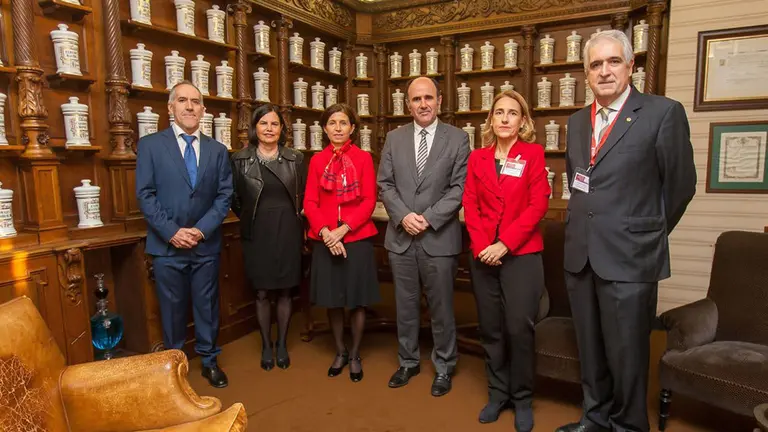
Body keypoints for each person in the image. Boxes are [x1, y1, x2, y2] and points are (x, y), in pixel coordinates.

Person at [558, 30, 696, 432]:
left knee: (628, 354)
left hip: (631, 259)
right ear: (586, 73)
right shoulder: (576, 122)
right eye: (595, 64)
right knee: (591, 348)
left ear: (631, 65)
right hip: (581, 254)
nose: (604, 71)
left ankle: (629, 426)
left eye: (613, 61)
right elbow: (579, 180)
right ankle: (595, 418)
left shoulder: (662, 113)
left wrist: (645, 233)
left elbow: (680, 187)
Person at [462, 90, 550, 431]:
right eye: (498, 112)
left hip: (521, 256)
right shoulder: (477, 159)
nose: (504, 118)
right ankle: (498, 394)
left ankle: (523, 398)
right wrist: (484, 245)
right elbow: (470, 203)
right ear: (490, 119)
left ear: (522, 121)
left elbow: (537, 205)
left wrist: (504, 244)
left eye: (512, 113)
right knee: (492, 329)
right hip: (483, 255)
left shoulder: (533, 154)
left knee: (518, 328)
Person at [136, 80, 233, 388]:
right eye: (182, 100)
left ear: (203, 110)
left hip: (206, 245)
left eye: (195, 101)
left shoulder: (218, 150)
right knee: (172, 309)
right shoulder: (151, 145)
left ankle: (209, 361)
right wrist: (172, 232)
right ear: (170, 108)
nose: (190, 106)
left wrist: (201, 231)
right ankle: (175, 368)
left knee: (207, 306)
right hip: (167, 247)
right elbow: (145, 195)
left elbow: (224, 196)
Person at [377, 76, 470, 397]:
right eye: (416, 99)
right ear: (408, 105)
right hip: (401, 238)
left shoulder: (458, 139)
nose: (423, 104)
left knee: (442, 307)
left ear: (440, 101)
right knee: (405, 304)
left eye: (428, 98)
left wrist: (428, 219)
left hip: (439, 237)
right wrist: (403, 216)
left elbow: (459, 188)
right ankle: (408, 361)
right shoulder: (394, 138)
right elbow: (385, 184)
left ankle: (444, 365)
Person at [304, 103, 379, 383]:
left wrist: (343, 230)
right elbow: (310, 201)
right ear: (324, 128)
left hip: (356, 238)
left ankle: (356, 353)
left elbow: (369, 200)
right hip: (325, 239)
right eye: (332, 122)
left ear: (353, 129)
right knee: (333, 300)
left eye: (343, 123)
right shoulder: (315, 160)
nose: (337, 128)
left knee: (356, 301)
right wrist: (326, 232)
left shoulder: (363, 158)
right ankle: (340, 350)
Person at [230, 104, 305, 371]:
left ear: (282, 129)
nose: (269, 129)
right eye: (264, 124)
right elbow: (235, 199)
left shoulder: (296, 158)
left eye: (274, 124)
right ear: (255, 128)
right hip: (257, 231)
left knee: (285, 290)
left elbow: (303, 195)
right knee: (261, 292)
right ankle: (265, 344)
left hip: (288, 230)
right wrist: (253, 218)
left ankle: (282, 343)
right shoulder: (240, 159)